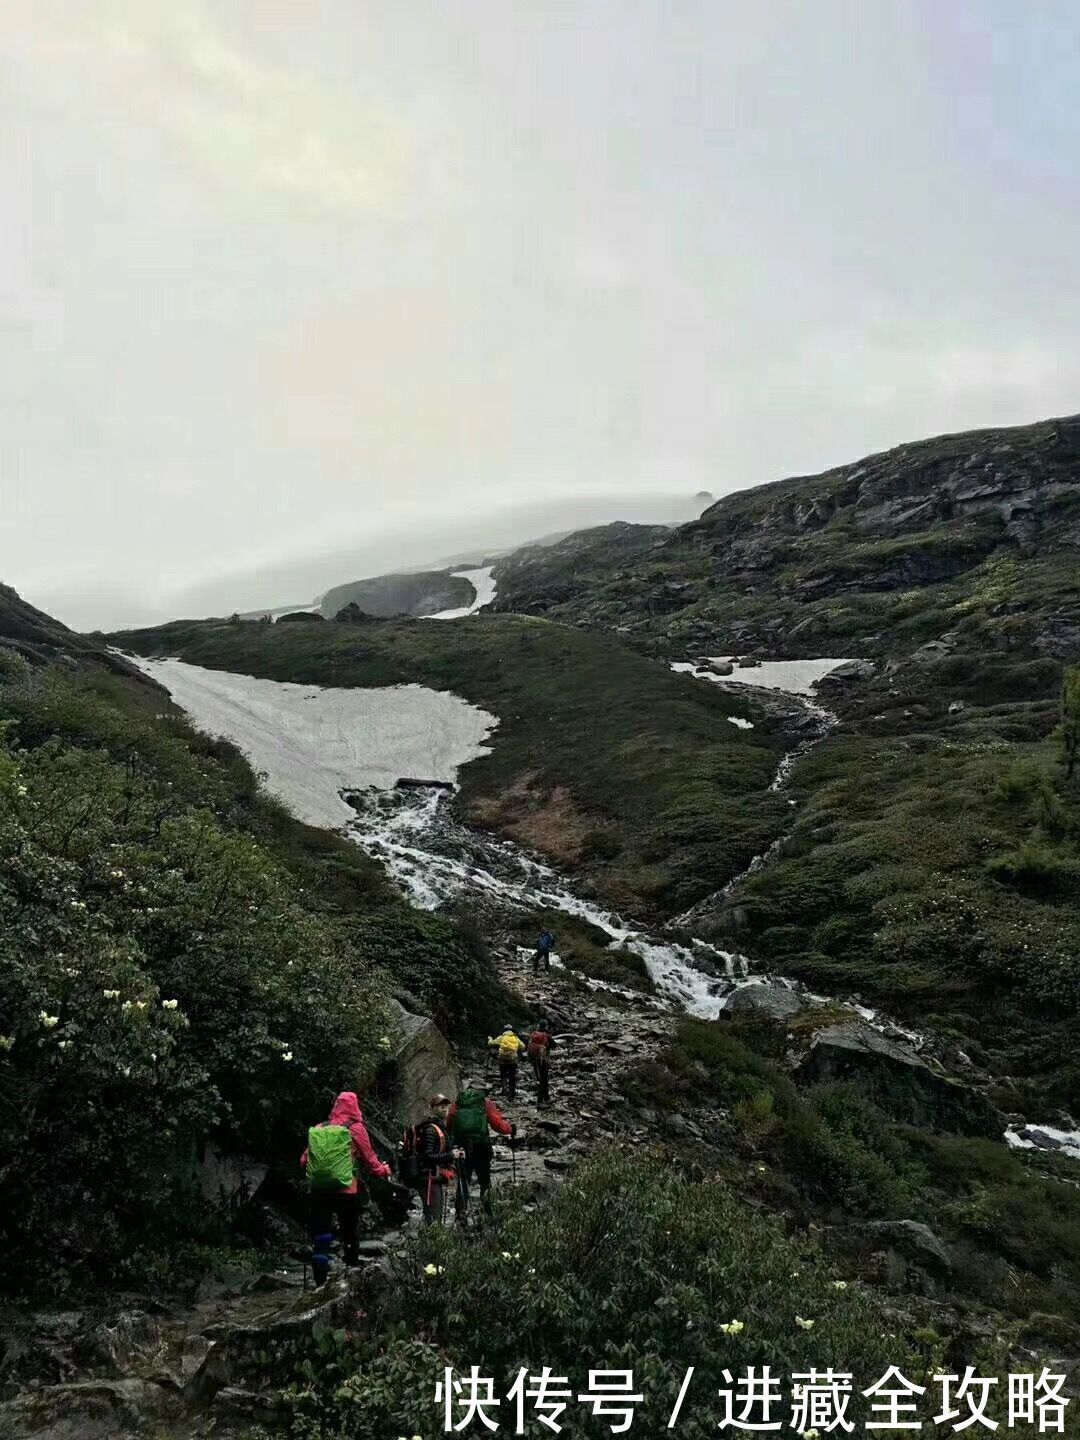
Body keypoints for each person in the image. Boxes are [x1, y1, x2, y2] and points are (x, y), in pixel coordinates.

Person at [301, 1090, 391, 1285]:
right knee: (349, 1230)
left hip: (319, 1190)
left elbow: (304, 1160)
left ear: (335, 1106)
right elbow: (370, 1159)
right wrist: (385, 1171)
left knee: (322, 1232)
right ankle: (352, 1273)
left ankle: (319, 1282)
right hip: (346, 1190)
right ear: (355, 1107)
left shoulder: (320, 1127)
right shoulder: (355, 1128)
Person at [447, 1080, 513, 1221]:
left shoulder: (458, 1103)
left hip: (461, 1148)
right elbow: (497, 1124)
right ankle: (487, 1211)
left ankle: (461, 1214)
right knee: (484, 1181)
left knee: (463, 1180)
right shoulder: (486, 1103)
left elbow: (449, 1123)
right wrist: (511, 1129)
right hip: (482, 1146)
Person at [400, 1094, 457, 1226]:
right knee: (432, 1218)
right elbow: (427, 1156)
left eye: (446, 1106)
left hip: (432, 1178)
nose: (444, 1109)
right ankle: (430, 1243)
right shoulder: (431, 1130)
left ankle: (430, 1241)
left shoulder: (438, 1127)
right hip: (429, 1179)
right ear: (432, 1108)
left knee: (432, 1216)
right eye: (440, 1106)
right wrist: (451, 1155)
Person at [488, 1024, 527, 1101]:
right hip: (513, 1060)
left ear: (504, 1030)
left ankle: (504, 1089)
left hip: (502, 1060)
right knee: (512, 1077)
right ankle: (511, 1094)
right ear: (512, 1030)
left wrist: (490, 1038)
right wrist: (517, 1051)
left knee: (503, 1075)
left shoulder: (501, 1037)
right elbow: (523, 1046)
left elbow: (491, 1044)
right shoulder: (515, 1038)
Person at [528, 1019, 557, 1106]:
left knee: (541, 1079)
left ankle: (546, 1098)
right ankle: (540, 1101)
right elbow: (554, 1045)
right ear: (546, 1026)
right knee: (544, 1080)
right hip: (544, 1060)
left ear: (538, 1025)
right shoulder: (547, 1035)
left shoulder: (533, 1034)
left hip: (535, 1060)